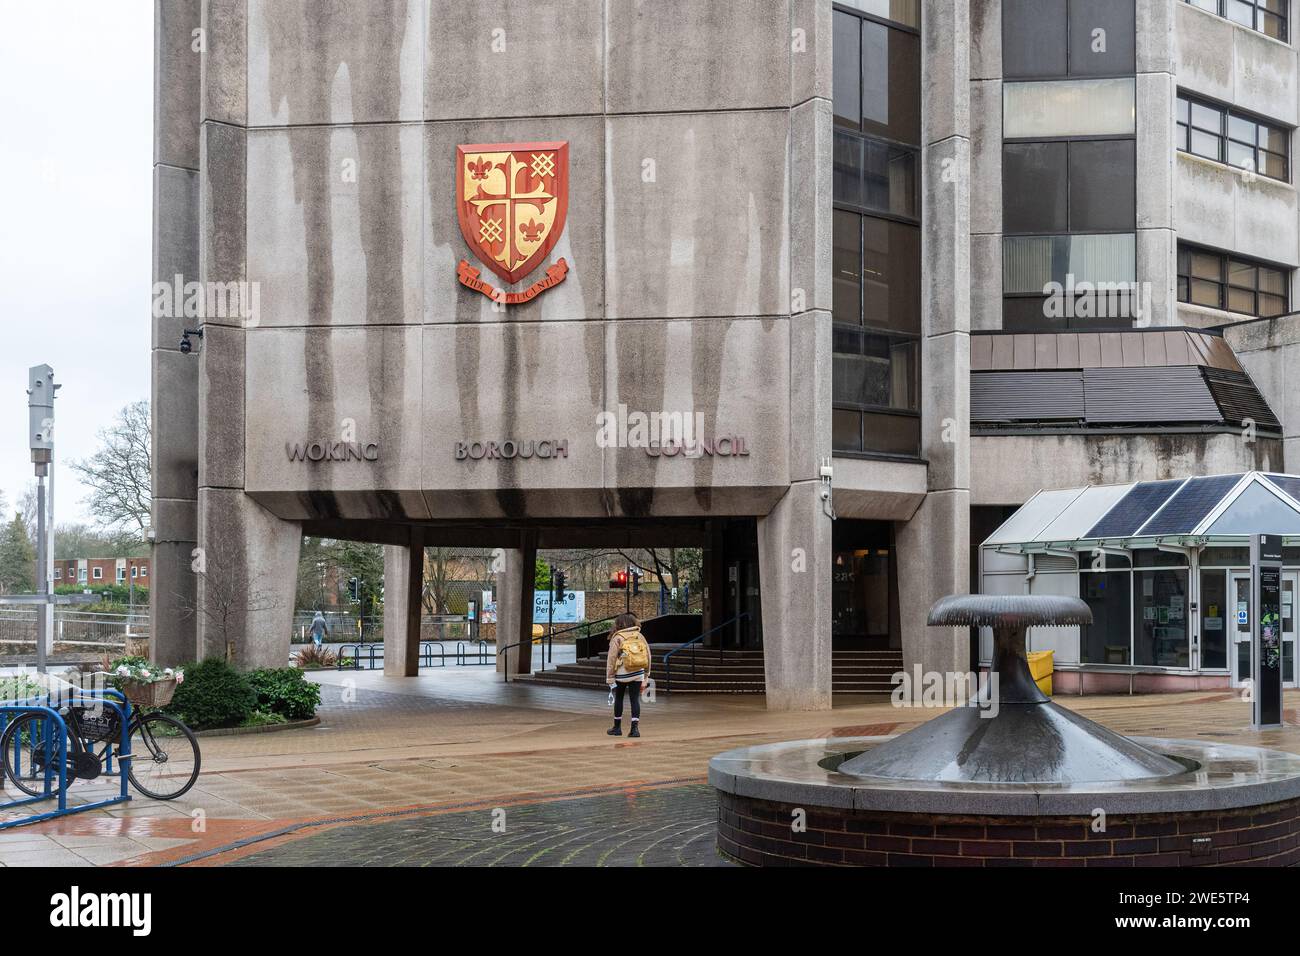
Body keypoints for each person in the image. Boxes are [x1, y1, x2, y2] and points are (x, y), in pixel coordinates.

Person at [605, 612, 650, 738]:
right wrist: (646, 675)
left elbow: (612, 658)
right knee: (634, 699)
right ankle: (635, 729)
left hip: (622, 674)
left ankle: (617, 728)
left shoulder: (617, 637)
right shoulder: (639, 636)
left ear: (618, 624)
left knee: (619, 698)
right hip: (638, 673)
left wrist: (610, 677)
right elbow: (648, 655)